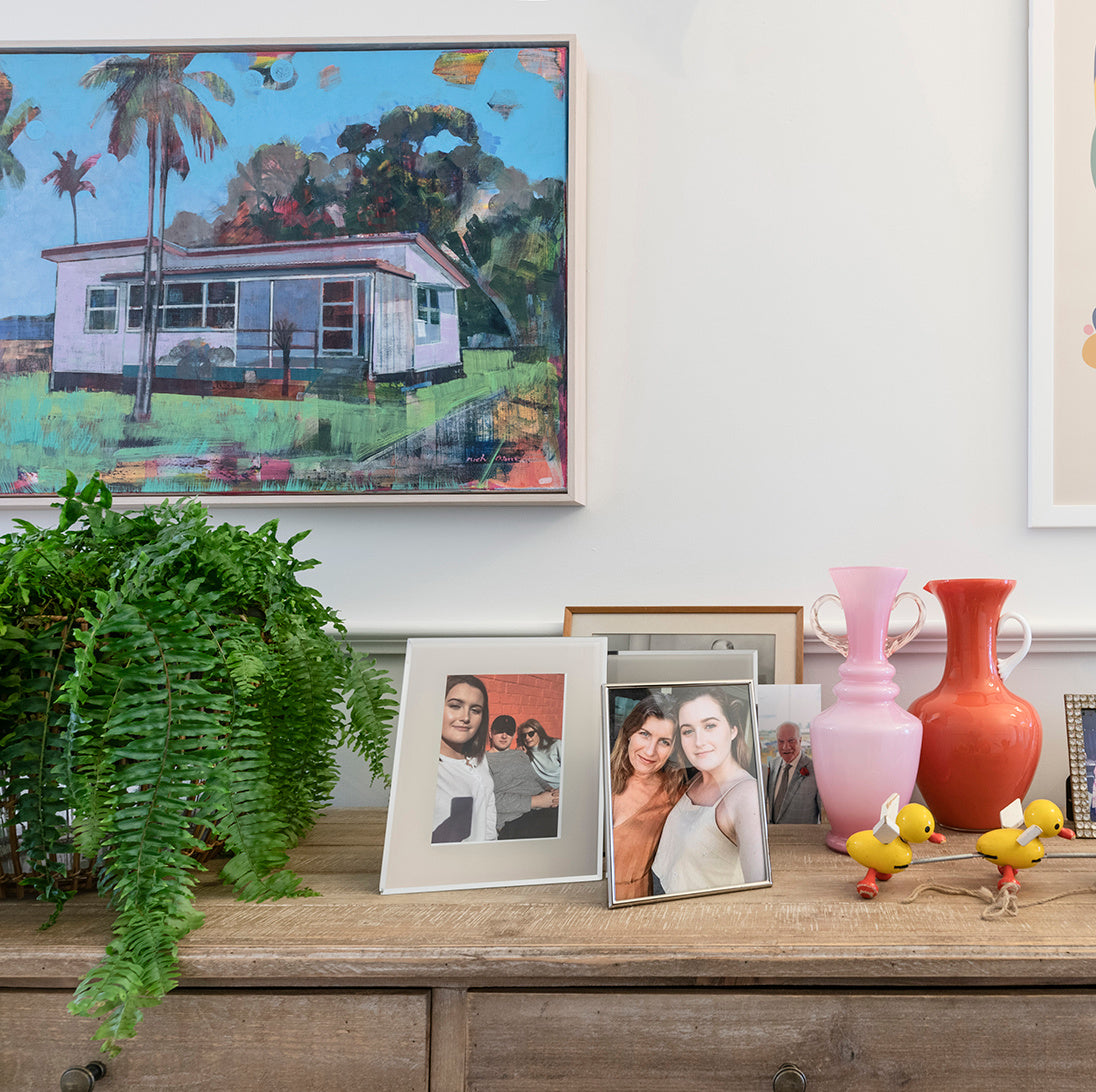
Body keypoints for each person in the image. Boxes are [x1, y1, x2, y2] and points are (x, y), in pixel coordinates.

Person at [650, 685, 767, 893]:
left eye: (710, 726)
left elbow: (759, 886)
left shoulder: (746, 794)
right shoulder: (696, 779)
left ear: (733, 729)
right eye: (687, 731)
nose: (699, 742)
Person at [608, 693, 686, 901]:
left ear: (673, 749)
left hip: (633, 901)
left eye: (664, 742)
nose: (650, 751)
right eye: (644, 734)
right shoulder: (597, 776)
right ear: (629, 733)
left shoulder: (675, 796)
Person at [432, 674, 497, 844]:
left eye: (475, 710)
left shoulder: (478, 758)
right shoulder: (424, 769)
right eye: (455, 706)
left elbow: (488, 808)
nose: (466, 717)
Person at [485, 714, 559, 839]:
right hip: (516, 819)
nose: (504, 736)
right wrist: (536, 801)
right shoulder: (484, 761)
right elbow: (490, 800)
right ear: (491, 734)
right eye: (499, 731)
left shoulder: (520, 754)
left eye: (508, 732)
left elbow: (536, 778)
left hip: (545, 809)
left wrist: (551, 791)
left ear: (513, 735)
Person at [765, 721, 821, 824]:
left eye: (791, 741)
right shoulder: (772, 765)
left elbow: (823, 818)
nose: (786, 747)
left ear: (800, 740)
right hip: (774, 837)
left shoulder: (816, 770)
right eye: (781, 741)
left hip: (802, 838)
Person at [518, 718, 563, 789]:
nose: (527, 737)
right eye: (524, 735)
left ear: (539, 732)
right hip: (543, 790)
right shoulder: (525, 753)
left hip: (561, 787)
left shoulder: (556, 745)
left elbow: (571, 770)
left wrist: (562, 790)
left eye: (531, 734)